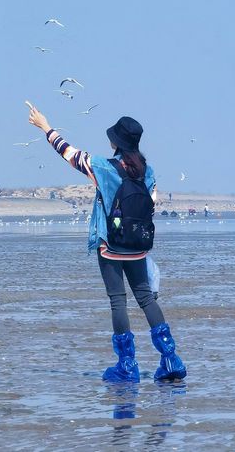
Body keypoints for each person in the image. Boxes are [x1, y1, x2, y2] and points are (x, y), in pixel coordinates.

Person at [28, 105, 186, 383]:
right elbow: (153, 202)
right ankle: (171, 358)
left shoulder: (104, 167)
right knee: (146, 298)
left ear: (118, 142)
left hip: (111, 244)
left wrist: (45, 127)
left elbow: (70, 154)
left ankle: (127, 365)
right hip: (138, 245)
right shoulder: (147, 171)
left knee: (118, 301)